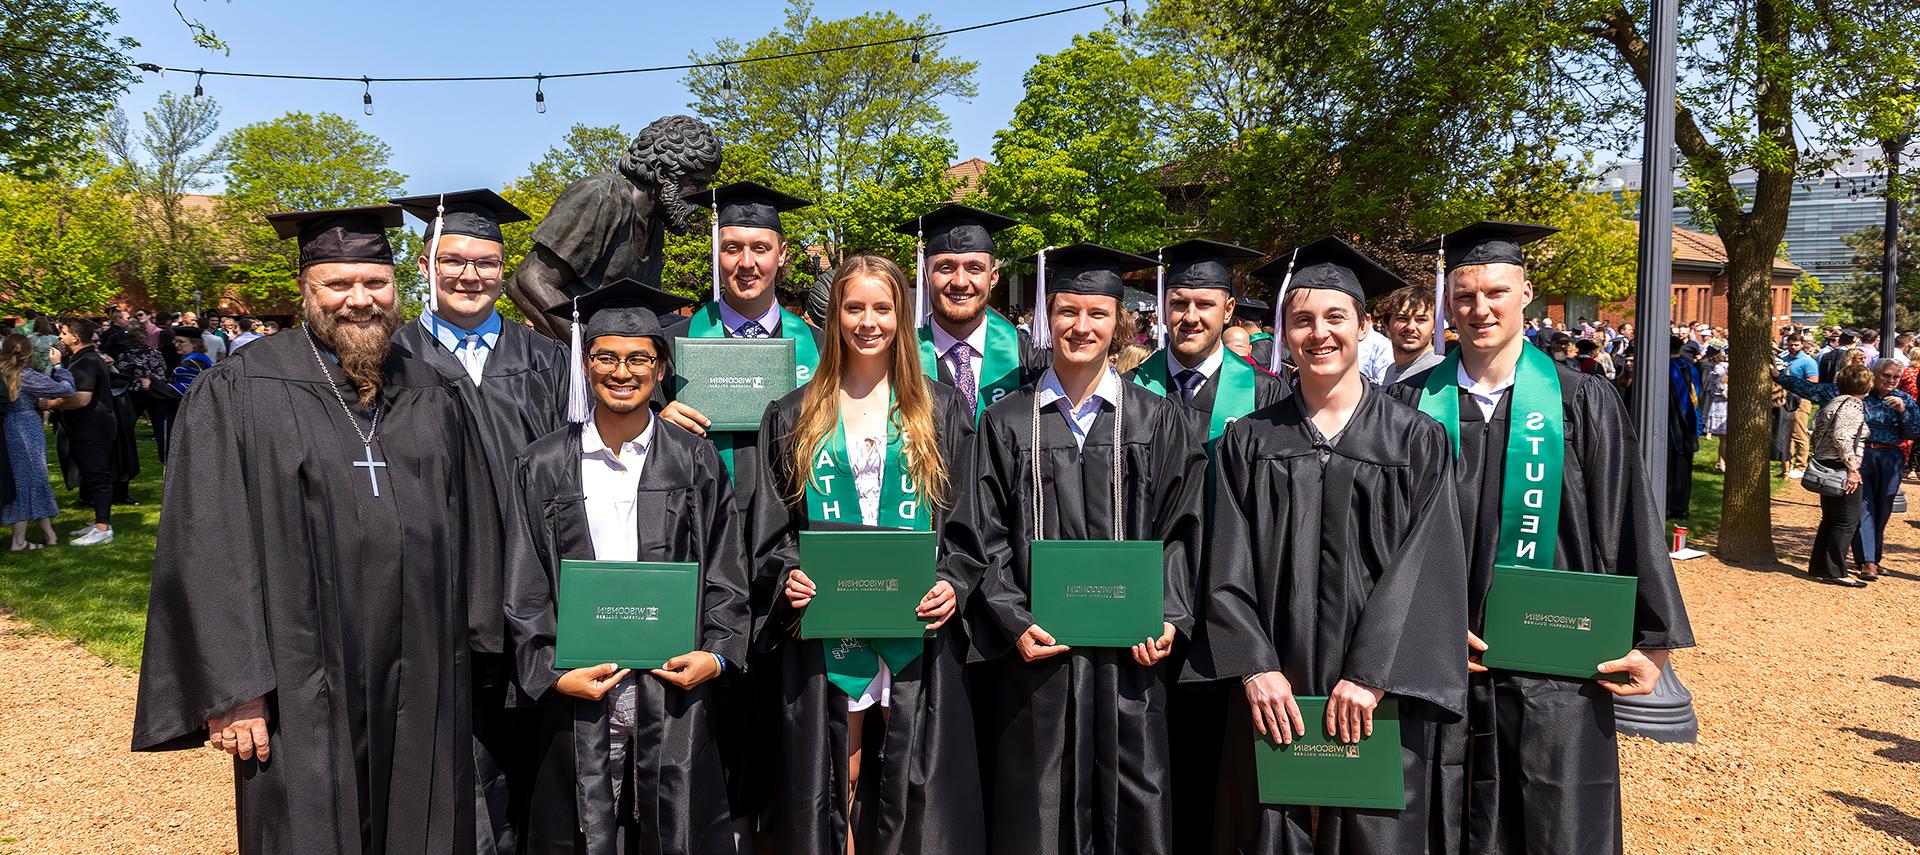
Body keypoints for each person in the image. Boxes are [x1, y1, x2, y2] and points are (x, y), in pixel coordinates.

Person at [133, 204, 498, 855]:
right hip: (299, 673)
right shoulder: (240, 391)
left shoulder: (434, 391)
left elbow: (475, 529)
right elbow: (206, 541)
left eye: (375, 283)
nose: (359, 299)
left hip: (422, 668)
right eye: (338, 284)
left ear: (397, 287)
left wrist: (489, 648)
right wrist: (235, 685)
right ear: (304, 290)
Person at [1389, 221, 1694, 855]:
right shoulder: (1407, 404)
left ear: (1526, 293)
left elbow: (1626, 514)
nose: (1480, 309)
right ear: (1449, 300)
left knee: (1556, 814)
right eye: (1465, 295)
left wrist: (1654, 639)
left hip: (1555, 660)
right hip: (1439, 655)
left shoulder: (1581, 400)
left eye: (1496, 292)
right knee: (1443, 813)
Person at [1185, 236, 1468, 854]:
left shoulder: (1415, 440)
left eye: (1335, 317)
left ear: (1365, 326)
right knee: (1264, 829)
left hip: (1375, 695)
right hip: (1271, 687)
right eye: (1302, 319)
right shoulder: (1249, 441)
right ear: (1283, 333)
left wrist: (1370, 675)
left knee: (1374, 833)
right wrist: (1255, 666)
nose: (1319, 333)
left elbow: (1429, 567)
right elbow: (1223, 566)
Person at [945, 243, 1208, 855]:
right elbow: (981, 534)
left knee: (1134, 800)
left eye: (1097, 314)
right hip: (1039, 659)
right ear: (1047, 317)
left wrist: (1169, 616)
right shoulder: (1006, 422)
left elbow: (1183, 526)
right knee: (1035, 805)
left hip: (1133, 662)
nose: (1081, 327)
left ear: (1119, 324)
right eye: (1067, 311)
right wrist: (1013, 621)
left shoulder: (1158, 421)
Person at [746, 256, 985, 853]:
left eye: (883, 308)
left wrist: (954, 580)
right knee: (839, 773)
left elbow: (968, 521)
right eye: (855, 308)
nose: (868, 322)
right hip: (830, 622)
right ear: (835, 317)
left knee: (908, 774)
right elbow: (772, 527)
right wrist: (787, 577)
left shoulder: (940, 410)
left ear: (902, 318)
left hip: (914, 619)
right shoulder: (794, 412)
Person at [505, 279, 751, 854]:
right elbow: (524, 583)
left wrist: (716, 656)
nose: (622, 371)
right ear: (585, 365)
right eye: (606, 357)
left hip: (672, 687)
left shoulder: (694, 460)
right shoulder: (542, 465)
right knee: (580, 831)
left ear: (661, 369)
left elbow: (726, 569)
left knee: (672, 831)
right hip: (579, 693)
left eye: (639, 358)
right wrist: (549, 672)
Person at [390, 188, 571, 854]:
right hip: (436, 600)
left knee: (538, 762)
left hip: (533, 599)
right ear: (424, 263)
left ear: (504, 269)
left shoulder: (548, 360)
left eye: (486, 263)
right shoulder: (390, 361)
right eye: (455, 261)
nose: (471, 276)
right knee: (454, 764)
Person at [660, 181, 821, 496]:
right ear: (716, 252)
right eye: (732, 248)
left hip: (794, 522)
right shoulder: (670, 345)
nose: (747, 263)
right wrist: (656, 428)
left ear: (782, 254)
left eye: (760, 248)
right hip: (706, 519)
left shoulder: (822, 347)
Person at [897, 203, 1048, 425]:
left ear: (993, 278)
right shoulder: (900, 356)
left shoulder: (1031, 357)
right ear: (924, 277)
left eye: (974, 268)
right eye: (945, 268)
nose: (960, 281)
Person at [1776, 358, 1920, 580]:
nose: (1891, 381)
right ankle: (1867, 561)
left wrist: (1903, 412)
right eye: (1886, 376)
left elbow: (1914, 432)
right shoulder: (1856, 393)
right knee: (1862, 507)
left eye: (1896, 377)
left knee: (1883, 508)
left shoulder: (1904, 399)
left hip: (1890, 456)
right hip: (1860, 456)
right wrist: (1779, 377)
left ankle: (1874, 557)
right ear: (1875, 375)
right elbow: (1812, 390)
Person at [1134, 239, 1289, 443]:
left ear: (1228, 310)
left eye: (1204, 304)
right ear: (1164, 307)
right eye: (1179, 304)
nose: (1190, 317)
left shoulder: (1264, 392)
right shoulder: (1130, 388)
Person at [1801, 364, 1873, 587]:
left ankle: (1820, 566)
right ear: (1865, 384)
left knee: (1830, 519)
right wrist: (1852, 469)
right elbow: (1842, 437)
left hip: (1826, 462)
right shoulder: (1852, 404)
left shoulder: (1833, 402)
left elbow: (1818, 432)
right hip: (1840, 466)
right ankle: (1835, 571)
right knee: (1846, 521)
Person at [2, 335, 73, 550]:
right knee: (28, 480)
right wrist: (59, 365)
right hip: (26, 428)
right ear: (28, 352)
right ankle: (19, 541)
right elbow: (66, 390)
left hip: (7, 428)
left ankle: (50, 535)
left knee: (31, 479)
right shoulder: (27, 376)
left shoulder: (4, 373)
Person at [50, 318, 116, 545]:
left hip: (93, 426)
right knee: (90, 474)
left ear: (75, 337)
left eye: (63, 333)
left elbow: (81, 399)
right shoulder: (81, 359)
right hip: (85, 426)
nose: (60, 337)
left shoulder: (87, 361)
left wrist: (50, 404)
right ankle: (99, 521)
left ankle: (103, 527)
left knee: (98, 475)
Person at [1378, 281, 1444, 385]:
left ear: (1435, 326)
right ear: (1387, 324)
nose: (1410, 327)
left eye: (1421, 319)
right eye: (1402, 318)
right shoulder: (1391, 370)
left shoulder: (1440, 371)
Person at [1667, 336, 1701, 519]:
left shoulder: (1665, 369)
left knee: (1669, 465)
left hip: (1670, 424)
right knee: (1684, 466)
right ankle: (1681, 506)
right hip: (1688, 423)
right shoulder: (1690, 368)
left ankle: (1667, 503)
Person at [1781, 335, 1820, 478]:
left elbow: (1813, 382)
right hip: (1784, 399)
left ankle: (1801, 465)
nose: (1793, 347)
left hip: (1801, 399)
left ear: (1802, 345)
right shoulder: (1784, 359)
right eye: (1790, 344)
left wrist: (1793, 384)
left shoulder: (1808, 361)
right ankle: (1786, 465)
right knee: (1786, 433)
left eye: (1796, 345)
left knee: (1799, 432)